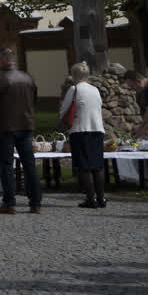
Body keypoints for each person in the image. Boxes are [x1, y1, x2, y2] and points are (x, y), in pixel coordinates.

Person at [0, 45, 41, 214]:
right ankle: (36, 203)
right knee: (29, 164)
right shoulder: (28, 77)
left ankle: (9, 202)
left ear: (4, 59)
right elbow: (34, 100)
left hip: (6, 126)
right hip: (26, 125)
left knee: (6, 165)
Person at [58, 62, 106, 210]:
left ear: (74, 75)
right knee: (97, 166)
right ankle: (101, 198)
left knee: (84, 167)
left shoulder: (74, 89)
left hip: (80, 129)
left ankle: (91, 198)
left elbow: (64, 109)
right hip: (97, 129)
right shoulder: (95, 89)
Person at [124, 66, 148, 137]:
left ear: (138, 81)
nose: (132, 89)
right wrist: (140, 126)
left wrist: (143, 131)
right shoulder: (147, 89)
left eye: (132, 86)